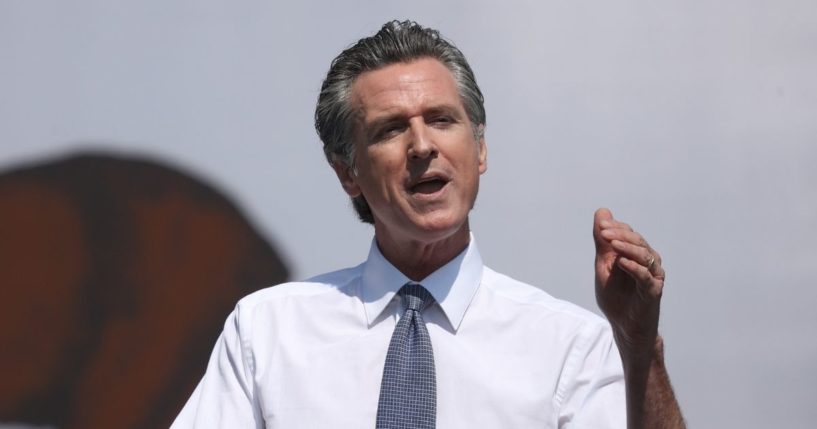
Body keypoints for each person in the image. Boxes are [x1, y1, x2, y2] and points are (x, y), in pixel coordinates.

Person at [172, 20, 685, 428]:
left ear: (480, 148)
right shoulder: (266, 332)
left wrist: (643, 351)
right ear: (348, 172)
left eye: (441, 119)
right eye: (392, 128)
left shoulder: (570, 345)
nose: (422, 146)